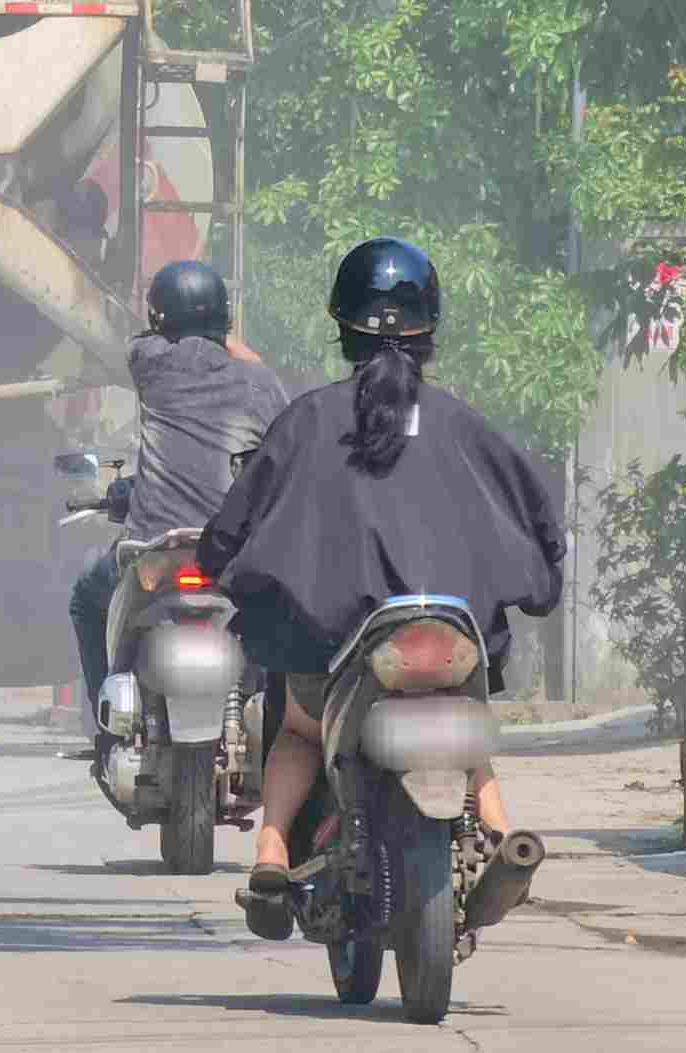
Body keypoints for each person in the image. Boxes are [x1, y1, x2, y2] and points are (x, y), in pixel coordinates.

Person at [196, 236, 565, 941]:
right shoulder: (461, 422)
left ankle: (271, 849)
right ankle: (501, 832)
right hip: (452, 643)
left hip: (341, 650)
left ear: (342, 327)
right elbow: (538, 517)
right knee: (466, 734)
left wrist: (219, 562)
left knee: (299, 731)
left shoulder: (308, 420)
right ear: (431, 328)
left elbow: (236, 522)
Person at [68, 259, 289, 766]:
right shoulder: (260, 383)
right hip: (232, 552)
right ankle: (278, 731)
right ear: (224, 320)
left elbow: (147, 339)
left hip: (155, 549)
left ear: (159, 317)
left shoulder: (151, 362)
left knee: (86, 599)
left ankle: (105, 724)